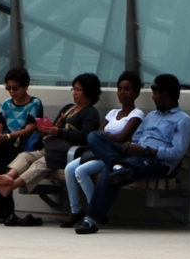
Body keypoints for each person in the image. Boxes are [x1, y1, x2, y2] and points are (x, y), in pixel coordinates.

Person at [74, 74, 190, 235]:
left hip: (156, 163)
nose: (152, 98)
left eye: (155, 94)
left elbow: (177, 152)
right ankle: (118, 164)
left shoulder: (183, 120)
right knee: (94, 137)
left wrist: (146, 151)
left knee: (110, 172)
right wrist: (131, 146)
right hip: (135, 155)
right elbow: (138, 137)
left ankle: (91, 220)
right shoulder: (152, 116)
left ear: (165, 95)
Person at [0, 73, 101, 218]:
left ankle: (11, 185)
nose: (75, 93)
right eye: (73, 89)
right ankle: (8, 176)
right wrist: (46, 129)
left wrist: (58, 131)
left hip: (67, 153)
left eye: (78, 89)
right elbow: (54, 126)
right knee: (26, 156)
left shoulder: (91, 113)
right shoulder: (68, 108)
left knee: (40, 164)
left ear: (88, 91)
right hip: (51, 147)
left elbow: (85, 137)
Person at [61, 71, 143, 227]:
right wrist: (104, 136)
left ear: (135, 92)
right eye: (119, 89)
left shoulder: (137, 114)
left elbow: (122, 137)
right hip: (99, 152)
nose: (122, 93)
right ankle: (75, 210)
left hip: (114, 154)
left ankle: (96, 212)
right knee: (70, 169)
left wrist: (103, 136)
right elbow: (97, 134)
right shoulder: (113, 113)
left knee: (81, 171)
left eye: (126, 89)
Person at [0, 67, 43, 219]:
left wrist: (7, 137)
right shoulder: (6, 104)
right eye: (9, 88)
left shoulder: (34, 104)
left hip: (22, 146)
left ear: (25, 87)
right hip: (5, 144)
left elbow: (29, 129)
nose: (12, 92)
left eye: (15, 88)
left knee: (2, 167)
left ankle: (6, 210)